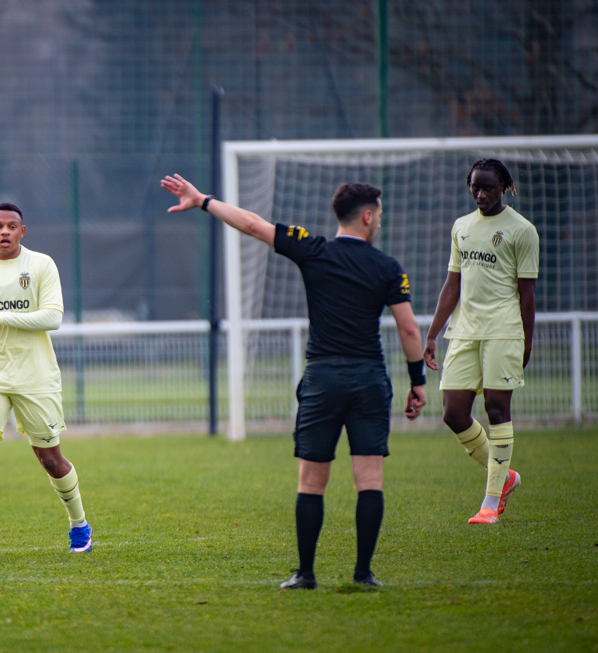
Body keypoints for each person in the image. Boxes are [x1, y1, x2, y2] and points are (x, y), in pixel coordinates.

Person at [161, 174, 427, 589]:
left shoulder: (314, 249)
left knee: (311, 481)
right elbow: (409, 331)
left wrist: (203, 201)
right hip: (368, 379)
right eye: (381, 217)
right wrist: (418, 381)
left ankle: (305, 573)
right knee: (369, 479)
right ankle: (363, 574)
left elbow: (251, 223)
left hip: (322, 378)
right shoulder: (388, 267)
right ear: (368, 217)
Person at [0, 202, 91, 557]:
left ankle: (79, 525)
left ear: (22, 231)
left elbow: (53, 317)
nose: (4, 232)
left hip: (36, 376)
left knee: (50, 458)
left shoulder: (41, 264)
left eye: (11, 226)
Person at [423, 159, 538, 525]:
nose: (481, 194)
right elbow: (452, 284)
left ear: (503, 186)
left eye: (488, 187)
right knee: (453, 413)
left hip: (504, 331)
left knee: (497, 411)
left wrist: (527, 341)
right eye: (475, 187)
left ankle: (490, 502)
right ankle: (506, 477)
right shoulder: (462, 227)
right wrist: (432, 333)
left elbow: (527, 293)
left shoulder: (522, 231)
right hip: (465, 332)